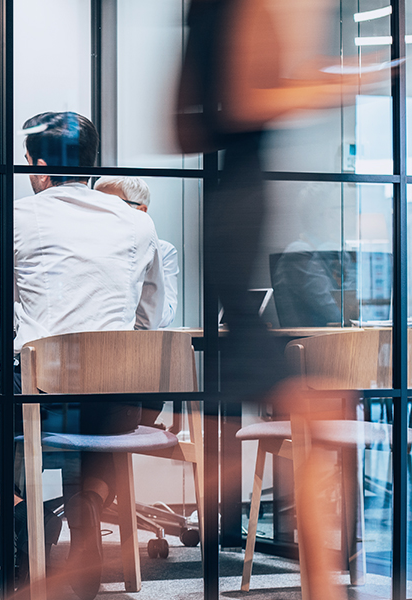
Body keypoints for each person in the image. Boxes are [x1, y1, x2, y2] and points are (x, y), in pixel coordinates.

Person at [177, 2, 388, 597]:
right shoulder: (242, 10)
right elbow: (245, 101)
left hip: (233, 214)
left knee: (303, 421)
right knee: (312, 415)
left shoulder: (217, 16)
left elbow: (186, 123)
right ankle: (324, 585)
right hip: (238, 218)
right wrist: (340, 81)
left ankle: (323, 584)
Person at [0, 111, 165, 600]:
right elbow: (149, 321)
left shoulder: (19, 216)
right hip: (118, 407)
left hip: (41, 398)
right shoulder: (138, 224)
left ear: (40, 166)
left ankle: (17, 515)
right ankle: (87, 502)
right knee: (95, 430)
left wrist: (13, 317)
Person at [93, 176, 180, 328]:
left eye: (112, 205)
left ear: (141, 211)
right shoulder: (87, 247)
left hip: (138, 343)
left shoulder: (164, 251)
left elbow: (165, 317)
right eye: (94, 204)